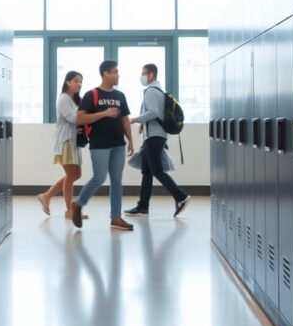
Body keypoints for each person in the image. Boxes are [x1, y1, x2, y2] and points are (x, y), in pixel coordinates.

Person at [71, 60, 135, 231]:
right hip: (99, 144)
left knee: (117, 180)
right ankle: (78, 204)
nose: (118, 75)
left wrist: (130, 140)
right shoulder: (91, 95)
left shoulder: (120, 96)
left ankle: (116, 217)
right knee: (99, 177)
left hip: (118, 145)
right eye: (115, 71)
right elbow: (80, 118)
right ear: (106, 74)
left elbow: (124, 119)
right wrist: (104, 113)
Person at [125, 64, 192, 217]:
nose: (141, 76)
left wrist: (136, 119)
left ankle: (181, 197)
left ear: (151, 75)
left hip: (154, 137)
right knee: (147, 172)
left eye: (143, 73)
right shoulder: (159, 91)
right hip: (155, 136)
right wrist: (143, 123)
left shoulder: (150, 91)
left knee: (157, 171)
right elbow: (155, 112)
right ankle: (143, 206)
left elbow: (153, 112)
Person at [37, 71, 89, 220]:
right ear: (67, 82)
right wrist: (88, 116)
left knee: (74, 174)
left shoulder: (73, 100)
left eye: (80, 81)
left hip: (73, 141)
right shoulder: (64, 99)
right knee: (73, 175)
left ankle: (47, 196)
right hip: (66, 141)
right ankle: (68, 210)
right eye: (76, 81)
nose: (79, 84)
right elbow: (73, 118)